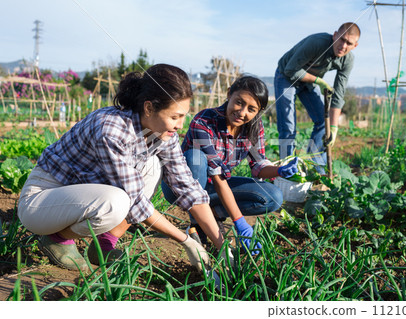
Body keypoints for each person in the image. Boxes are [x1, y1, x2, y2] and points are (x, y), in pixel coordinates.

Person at [18, 64, 225, 272]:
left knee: (153, 166)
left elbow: (187, 187)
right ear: (149, 108)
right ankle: (56, 239)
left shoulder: (163, 134)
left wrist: (222, 245)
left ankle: (104, 244)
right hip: (43, 199)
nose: (181, 125)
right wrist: (186, 241)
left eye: (183, 116)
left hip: (83, 195)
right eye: (174, 117)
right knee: (116, 203)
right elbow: (135, 201)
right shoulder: (112, 130)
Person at [162, 76, 299, 254]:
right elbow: (217, 174)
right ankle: (198, 223)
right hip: (180, 187)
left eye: (251, 109)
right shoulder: (204, 121)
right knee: (196, 158)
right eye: (239, 102)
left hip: (214, 188)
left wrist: (280, 170)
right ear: (229, 94)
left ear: (259, 111)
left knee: (273, 196)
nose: (242, 112)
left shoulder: (254, 127)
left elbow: (258, 167)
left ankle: (213, 215)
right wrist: (239, 221)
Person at [274, 22, 360, 172]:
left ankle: (314, 165)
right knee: (288, 127)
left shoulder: (348, 60)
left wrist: (333, 128)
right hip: (286, 76)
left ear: (355, 45)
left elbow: (338, 94)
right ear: (334, 36)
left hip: (307, 81)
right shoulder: (317, 43)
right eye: (341, 39)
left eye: (349, 43)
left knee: (323, 121)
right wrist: (318, 81)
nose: (343, 45)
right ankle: (286, 171)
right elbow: (290, 70)